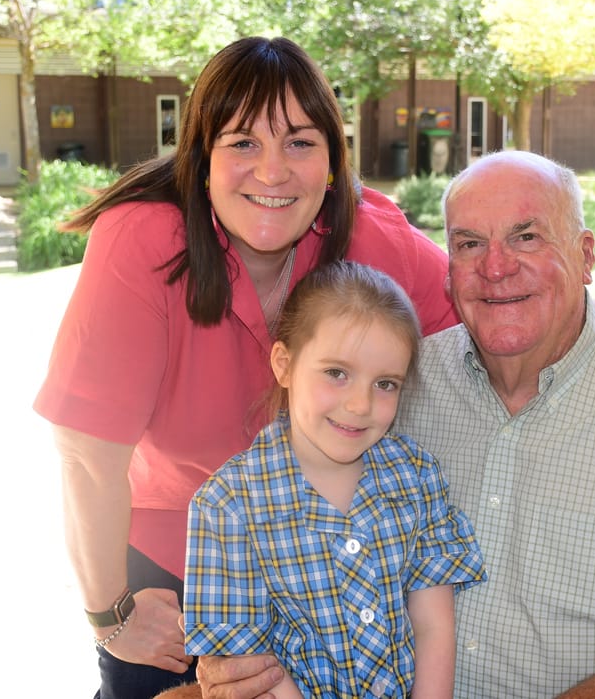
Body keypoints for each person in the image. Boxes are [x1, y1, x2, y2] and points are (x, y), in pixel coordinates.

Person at [34, 36, 595, 699]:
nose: (272, 171)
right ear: (201, 157)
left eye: (300, 141)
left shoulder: (363, 237)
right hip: (183, 572)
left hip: (322, 573)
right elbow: (87, 455)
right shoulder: (146, 241)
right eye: (243, 141)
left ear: (332, 159)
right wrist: (109, 612)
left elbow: (495, 294)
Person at [195, 151, 595, 699]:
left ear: (586, 255)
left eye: (527, 236)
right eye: (469, 244)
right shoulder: (402, 382)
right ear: (448, 271)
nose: (496, 267)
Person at [184, 260, 484, 699]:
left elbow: (434, 623)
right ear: (284, 364)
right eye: (337, 373)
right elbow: (252, 667)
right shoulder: (227, 504)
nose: (361, 404)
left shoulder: (415, 474)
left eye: (385, 383)